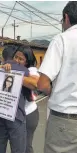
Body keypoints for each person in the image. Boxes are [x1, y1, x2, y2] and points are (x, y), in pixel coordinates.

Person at [37, 2, 77, 153]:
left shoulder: (62, 40)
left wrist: (53, 90)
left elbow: (42, 84)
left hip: (65, 122)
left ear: (66, 18)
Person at [0, 45, 31, 153]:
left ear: (3, 57)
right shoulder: (23, 70)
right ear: (14, 57)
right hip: (16, 116)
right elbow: (34, 87)